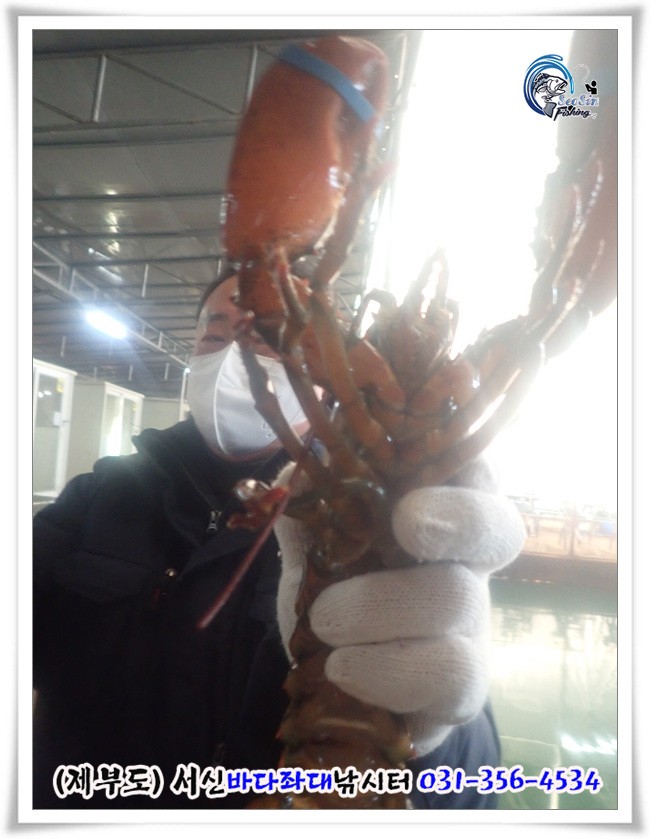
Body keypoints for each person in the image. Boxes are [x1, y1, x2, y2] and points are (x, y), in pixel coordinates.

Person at [32, 268, 526, 810]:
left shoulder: (377, 514)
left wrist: (441, 731)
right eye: (214, 338)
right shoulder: (98, 496)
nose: (234, 356)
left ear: (326, 372)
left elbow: (473, 793)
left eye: (266, 339)